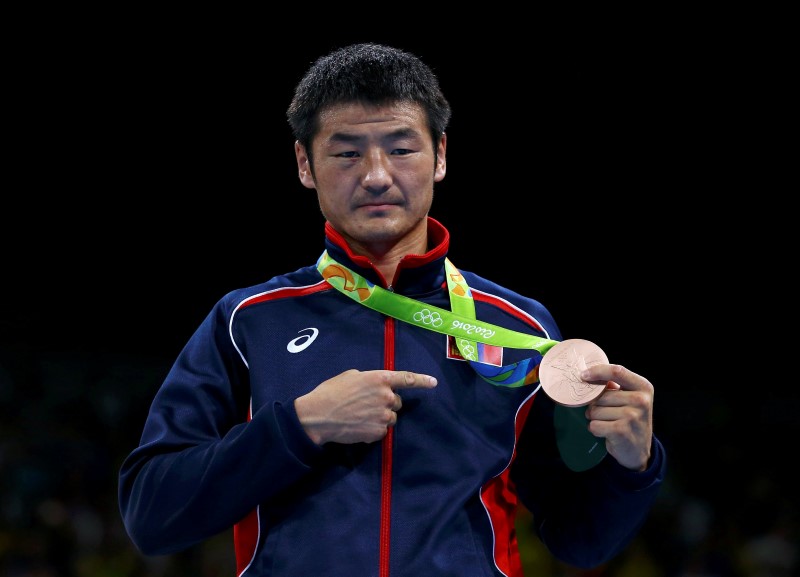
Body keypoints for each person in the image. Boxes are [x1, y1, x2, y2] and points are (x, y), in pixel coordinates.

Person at [118, 42, 666, 577]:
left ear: (441, 156)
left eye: (401, 149)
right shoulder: (248, 322)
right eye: (347, 152)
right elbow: (151, 516)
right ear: (305, 164)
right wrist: (301, 425)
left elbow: (581, 541)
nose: (376, 175)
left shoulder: (518, 329)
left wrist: (631, 465)